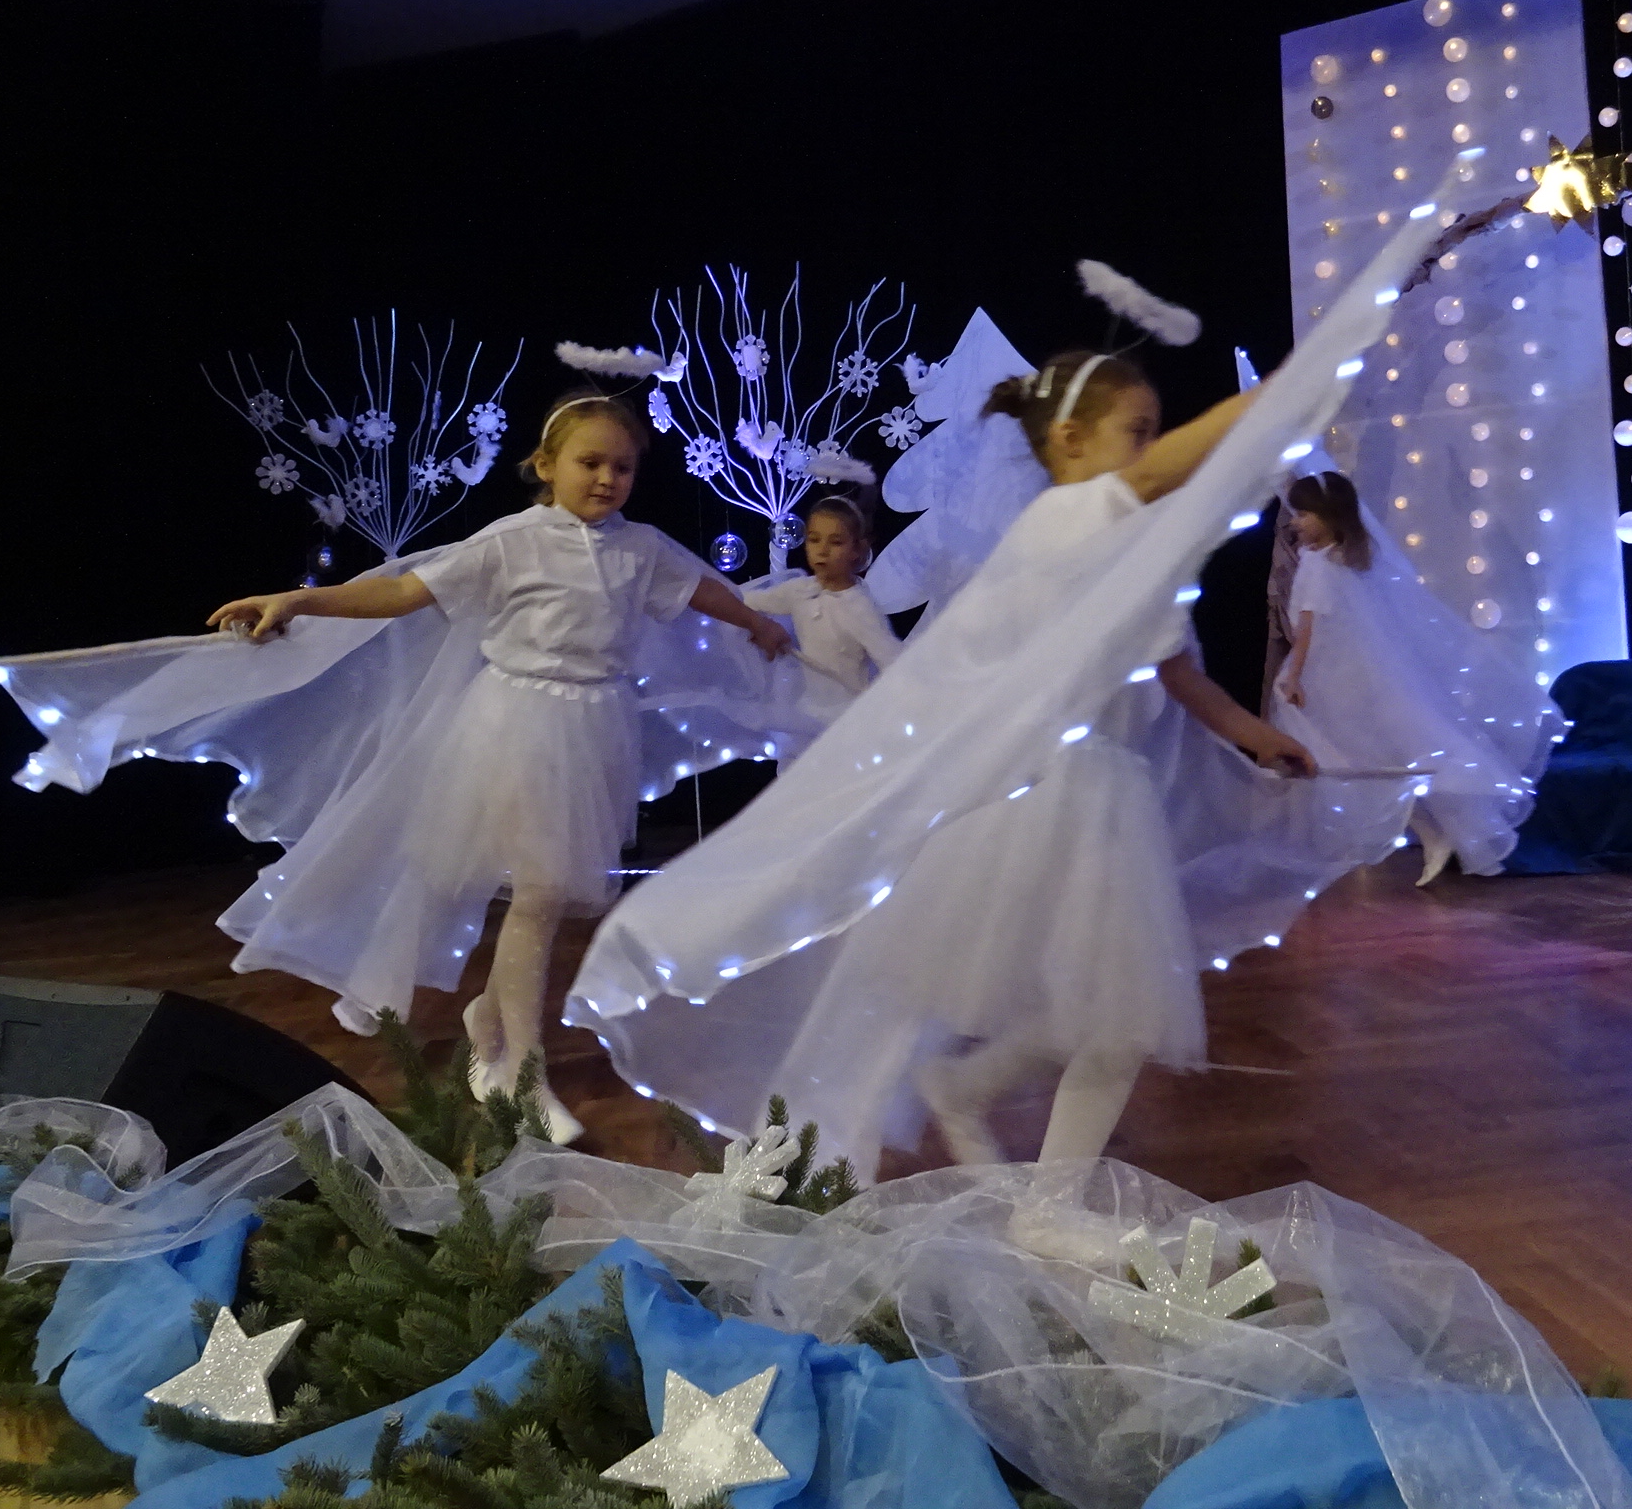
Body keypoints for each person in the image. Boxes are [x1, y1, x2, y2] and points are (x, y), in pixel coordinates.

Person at [568, 221, 1439, 1183]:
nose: (1151, 451)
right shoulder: (1067, 516)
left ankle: (971, 1093)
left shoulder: (1131, 557)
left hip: (1105, 800)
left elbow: (1177, 673)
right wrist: (1287, 383)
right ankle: (1045, 1191)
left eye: (1152, 432)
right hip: (1050, 797)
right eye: (1136, 431)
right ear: (1068, 441)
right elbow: (1164, 477)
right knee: (1112, 1022)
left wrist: (1259, 737)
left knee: (1100, 1014)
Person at [0, 392, 801, 1144]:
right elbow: (403, 594)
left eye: (621, 467)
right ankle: (518, 1072)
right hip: (517, 725)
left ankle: (492, 1021)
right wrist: (299, 599)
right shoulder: (511, 542)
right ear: (546, 465)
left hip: (595, 728)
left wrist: (755, 623)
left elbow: (700, 589)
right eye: (589, 462)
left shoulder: (640, 549)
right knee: (541, 891)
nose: (606, 478)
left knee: (560, 895)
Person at [1270, 470, 1551, 886]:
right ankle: (1429, 829)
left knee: (1364, 761)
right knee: (1375, 760)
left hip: (1337, 676)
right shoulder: (1349, 559)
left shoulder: (1321, 565)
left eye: (1304, 514)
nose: (1296, 522)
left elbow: (1308, 629)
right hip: (1352, 671)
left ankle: (1424, 831)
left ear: (1328, 516)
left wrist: (1293, 676)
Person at [740, 495, 903, 736]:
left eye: (835, 542)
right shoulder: (800, 590)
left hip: (849, 720)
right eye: (814, 540)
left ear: (856, 549)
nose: (822, 551)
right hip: (809, 713)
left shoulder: (859, 608)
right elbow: (749, 601)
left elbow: (892, 660)